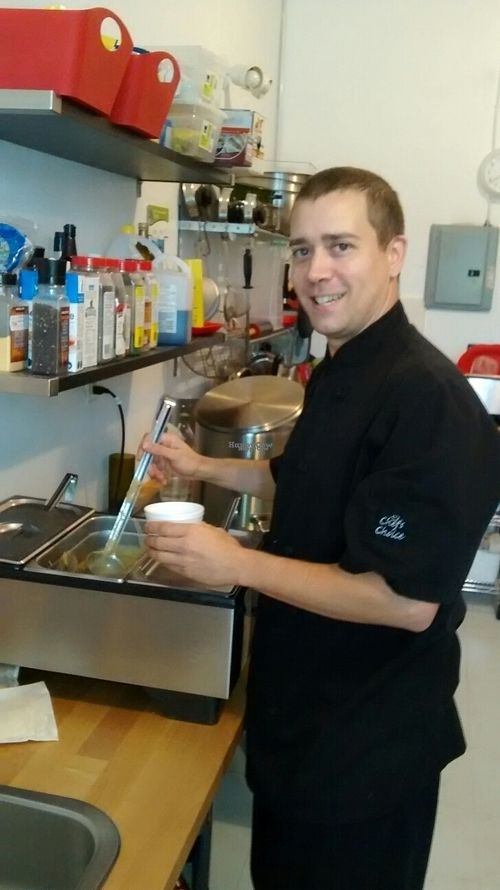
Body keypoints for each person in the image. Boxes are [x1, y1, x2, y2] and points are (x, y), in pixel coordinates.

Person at [142, 167, 500, 890]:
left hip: (366, 749)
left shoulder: (427, 402)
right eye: (303, 250)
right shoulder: (338, 366)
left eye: (341, 246)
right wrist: (202, 468)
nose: (316, 271)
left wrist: (236, 564)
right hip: (302, 726)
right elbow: (301, 480)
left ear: (393, 253)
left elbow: (403, 601)